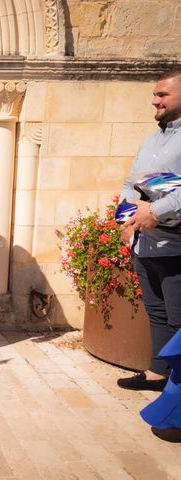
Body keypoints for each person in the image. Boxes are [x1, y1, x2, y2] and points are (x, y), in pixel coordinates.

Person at [117, 68, 181, 391]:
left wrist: (155, 211)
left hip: (174, 245)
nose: (154, 100)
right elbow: (133, 182)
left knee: (178, 320)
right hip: (144, 244)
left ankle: (177, 390)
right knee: (156, 312)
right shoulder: (151, 141)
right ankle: (158, 373)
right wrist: (126, 220)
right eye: (155, 94)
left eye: (162, 94)